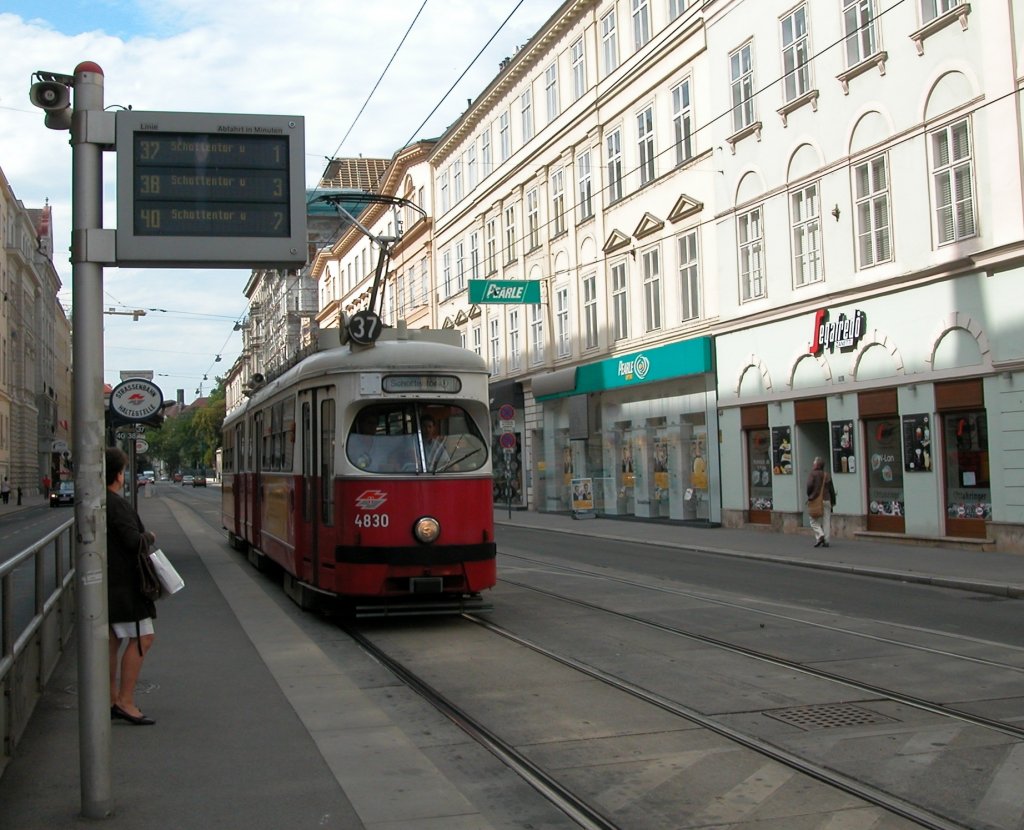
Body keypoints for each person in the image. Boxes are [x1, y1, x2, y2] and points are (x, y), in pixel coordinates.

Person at [106, 447, 158, 726]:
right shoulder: (117, 504)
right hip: (126, 585)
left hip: (111, 583)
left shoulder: (104, 501)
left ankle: (111, 699)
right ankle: (125, 701)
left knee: (112, 641)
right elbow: (132, 541)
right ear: (117, 474)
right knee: (143, 637)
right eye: (124, 471)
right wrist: (148, 536)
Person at [805, 456, 836, 548]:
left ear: (817, 464)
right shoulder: (827, 475)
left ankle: (820, 534)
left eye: (814, 462)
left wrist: (810, 495)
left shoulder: (813, 474)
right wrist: (833, 501)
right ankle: (826, 541)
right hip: (827, 500)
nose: (813, 464)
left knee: (813, 520)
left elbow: (809, 486)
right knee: (826, 520)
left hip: (816, 500)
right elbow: (831, 489)